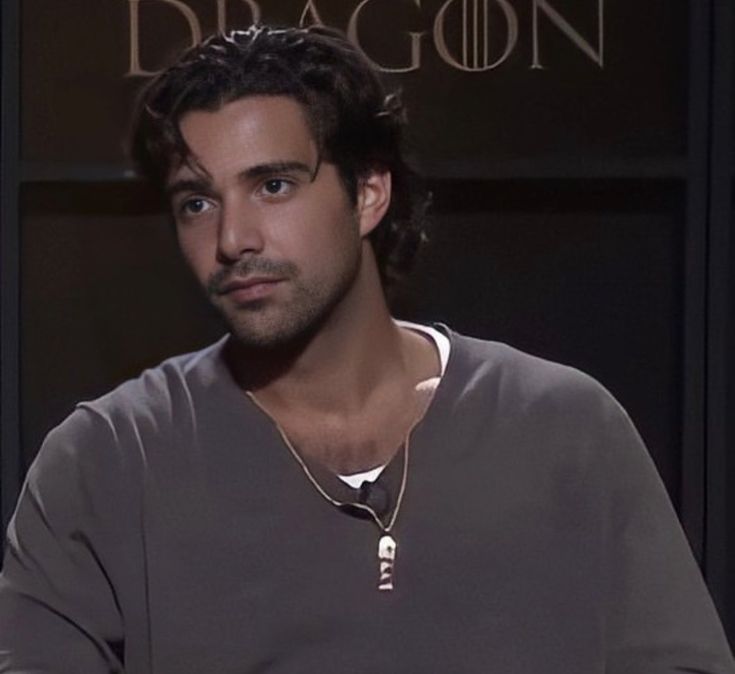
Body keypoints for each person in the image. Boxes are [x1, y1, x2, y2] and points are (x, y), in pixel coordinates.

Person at [0, 24, 733, 674]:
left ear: (368, 194)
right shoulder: (106, 462)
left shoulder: (564, 429)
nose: (231, 240)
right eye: (197, 202)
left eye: (274, 185)